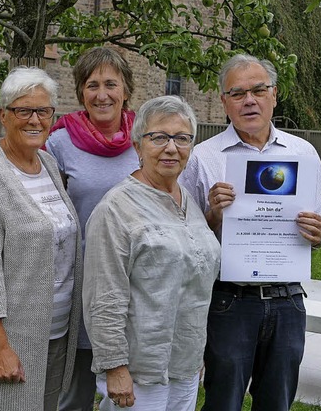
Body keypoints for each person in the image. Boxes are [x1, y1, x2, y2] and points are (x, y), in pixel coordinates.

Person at [179, 53, 321, 411]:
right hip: (229, 302)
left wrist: (320, 235)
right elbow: (183, 242)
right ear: (224, 102)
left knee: (277, 403)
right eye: (237, 93)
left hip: (288, 302)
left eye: (258, 90)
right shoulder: (202, 158)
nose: (249, 100)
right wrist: (214, 216)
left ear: (274, 94)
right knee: (223, 401)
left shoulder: (303, 153)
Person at [83, 95, 221, 410]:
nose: (171, 147)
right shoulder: (116, 208)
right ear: (138, 146)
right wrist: (115, 367)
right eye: (159, 137)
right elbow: (103, 297)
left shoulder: (188, 201)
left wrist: (196, 357)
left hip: (184, 366)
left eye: (182, 138)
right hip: (138, 371)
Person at [0, 67, 83, 411]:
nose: (34, 119)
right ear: (3, 115)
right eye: (23, 110)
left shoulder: (46, 162)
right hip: (14, 337)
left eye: (42, 111)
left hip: (56, 331)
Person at [45, 46, 139, 411]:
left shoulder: (144, 138)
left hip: (135, 278)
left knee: (134, 389)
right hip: (81, 280)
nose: (102, 94)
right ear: (81, 92)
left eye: (111, 84)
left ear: (126, 90)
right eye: (92, 84)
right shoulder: (59, 142)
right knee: (76, 391)